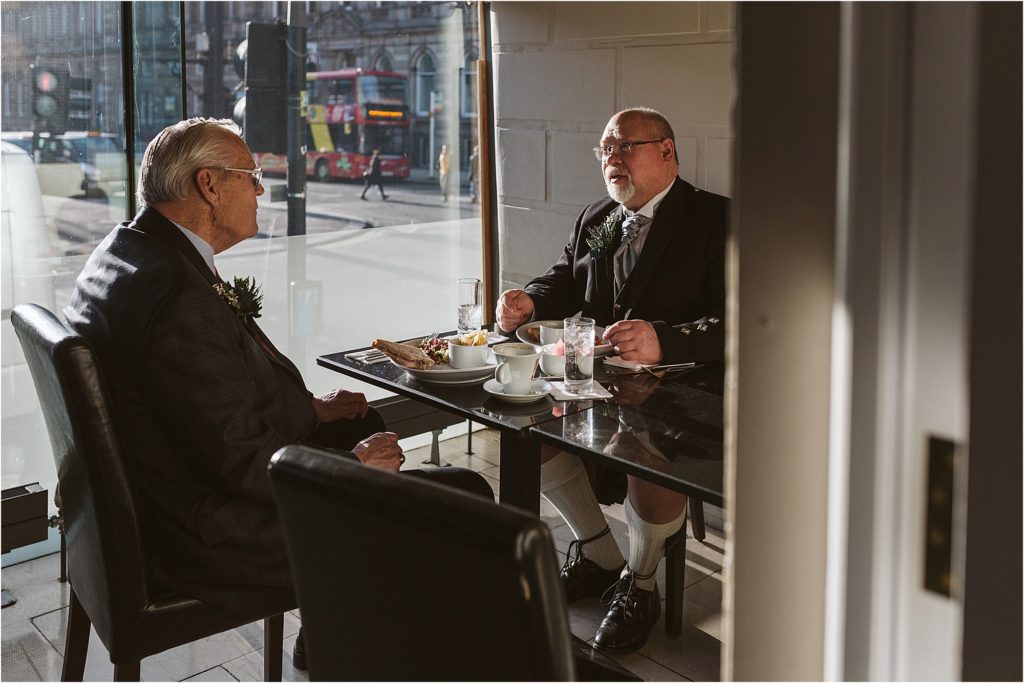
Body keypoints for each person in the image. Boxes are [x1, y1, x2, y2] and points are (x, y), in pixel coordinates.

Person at [64, 118, 492, 669]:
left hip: (160, 492)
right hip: (203, 534)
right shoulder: (177, 297)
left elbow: (196, 395)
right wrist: (353, 469)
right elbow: (240, 459)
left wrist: (312, 409)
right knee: (468, 496)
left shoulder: (129, 250)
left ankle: (329, 626)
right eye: (252, 176)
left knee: (357, 421)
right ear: (209, 185)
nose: (262, 191)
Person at [495, 107, 727, 652]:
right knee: (523, 425)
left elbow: (746, 316)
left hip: (686, 394)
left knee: (645, 451)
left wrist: (665, 339)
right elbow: (563, 280)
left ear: (667, 151)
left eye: (624, 146)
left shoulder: (717, 218)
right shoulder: (596, 216)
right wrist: (529, 301)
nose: (611, 159)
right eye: (604, 150)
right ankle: (598, 551)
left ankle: (640, 585)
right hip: (600, 385)